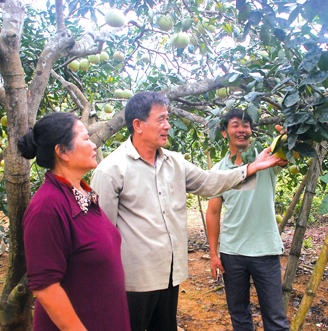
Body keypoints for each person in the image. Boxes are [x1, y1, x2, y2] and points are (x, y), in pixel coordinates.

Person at [90, 91, 288, 331]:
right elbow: (102, 236)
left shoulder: (174, 162)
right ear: (138, 125)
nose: (167, 125)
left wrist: (253, 167)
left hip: (169, 276)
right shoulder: (111, 170)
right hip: (133, 281)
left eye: (168, 118)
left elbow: (209, 182)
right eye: (161, 119)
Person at [18, 112, 130, 331]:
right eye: (86, 138)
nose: (93, 145)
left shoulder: (83, 195)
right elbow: (46, 287)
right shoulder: (47, 207)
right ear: (62, 152)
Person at [206, 108, 289, 331]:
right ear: (224, 132)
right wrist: (214, 254)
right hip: (232, 253)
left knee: (275, 318)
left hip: (265, 250)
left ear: (251, 131)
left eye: (246, 125)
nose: (241, 130)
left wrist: (290, 138)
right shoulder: (218, 171)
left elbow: (285, 155)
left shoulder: (267, 157)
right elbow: (213, 213)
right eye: (235, 125)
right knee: (239, 315)